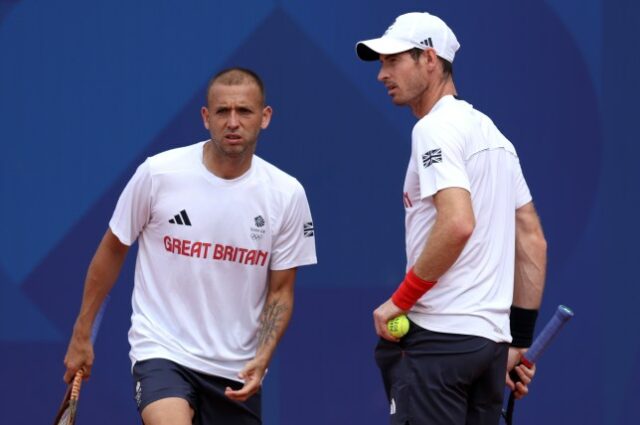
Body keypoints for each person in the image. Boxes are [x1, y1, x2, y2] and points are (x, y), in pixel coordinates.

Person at [62, 67, 317, 425]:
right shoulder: (158, 174)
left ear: (265, 117)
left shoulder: (287, 194)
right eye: (222, 111)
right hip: (162, 351)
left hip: (236, 371)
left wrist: (264, 355)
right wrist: (81, 333)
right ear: (205, 117)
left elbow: (280, 292)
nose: (232, 122)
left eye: (244, 111)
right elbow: (112, 250)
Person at [355, 12, 547, 425]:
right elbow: (532, 240)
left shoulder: (434, 129)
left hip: (439, 342)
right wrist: (517, 342)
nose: (382, 75)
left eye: (393, 61)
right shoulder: (495, 136)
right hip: (488, 349)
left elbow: (457, 222)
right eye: (381, 64)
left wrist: (400, 301)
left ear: (429, 59)